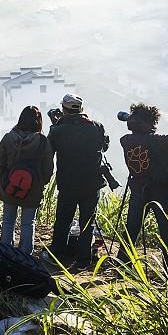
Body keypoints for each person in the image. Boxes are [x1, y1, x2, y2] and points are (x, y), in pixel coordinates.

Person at [118, 103, 168, 276]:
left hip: (137, 189)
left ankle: (122, 264)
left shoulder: (126, 140)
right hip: (161, 192)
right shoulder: (158, 142)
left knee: (132, 228)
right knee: (167, 233)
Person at [46, 94, 109, 269]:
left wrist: (56, 124)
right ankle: (83, 260)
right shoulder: (96, 127)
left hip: (68, 182)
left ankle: (57, 255)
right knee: (87, 222)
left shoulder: (58, 130)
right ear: (81, 109)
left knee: (63, 220)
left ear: (64, 109)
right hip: (92, 182)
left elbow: (49, 150)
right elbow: (104, 146)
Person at [0, 106, 55, 255]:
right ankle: (25, 255)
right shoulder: (42, 141)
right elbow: (48, 168)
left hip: (10, 186)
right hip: (32, 189)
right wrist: (40, 183)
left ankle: (5, 252)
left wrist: (3, 179)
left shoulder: (8, 137)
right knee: (28, 223)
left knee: (8, 221)